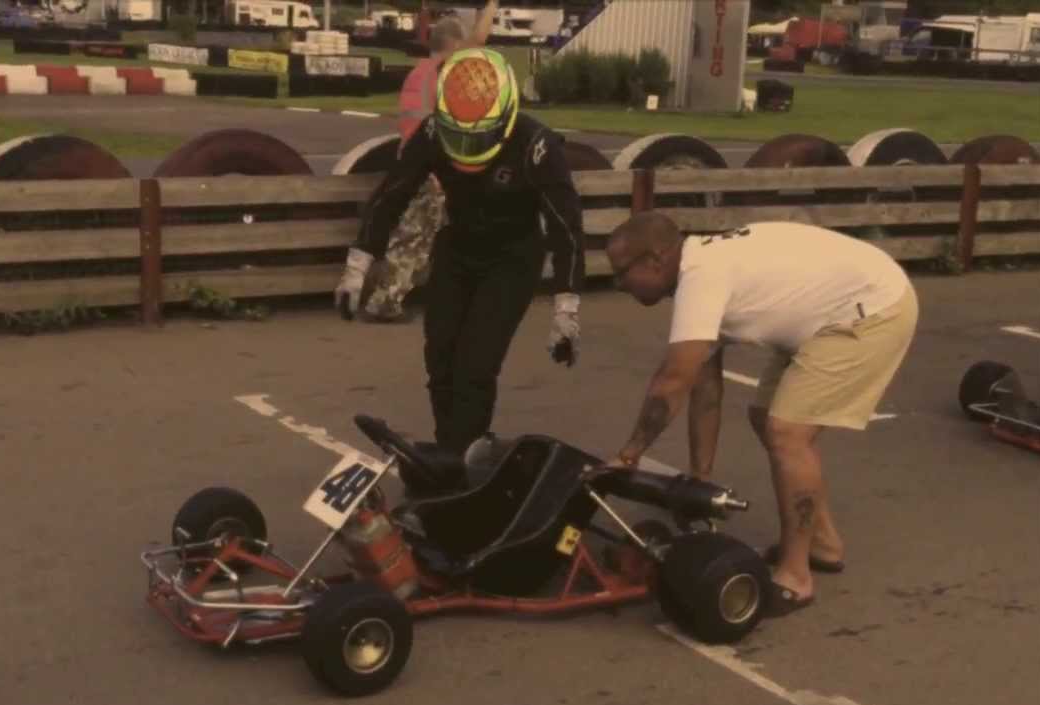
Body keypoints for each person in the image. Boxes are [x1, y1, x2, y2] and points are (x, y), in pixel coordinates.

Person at [601, 212, 919, 617]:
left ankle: (796, 577)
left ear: (655, 260)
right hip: (832, 312)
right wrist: (699, 481)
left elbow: (673, 382)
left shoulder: (703, 278)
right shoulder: (695, 272)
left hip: (873, 309)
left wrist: (628, 455)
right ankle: (822, 542)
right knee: (765, 415)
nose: (619, 285)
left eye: (621, 273)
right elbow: (705, 389)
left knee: (787, 433)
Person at [334, 47, 586, 456]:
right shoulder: (433, 132)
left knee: (476, 366)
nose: (467, 144)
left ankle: (460, 456)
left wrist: (566, 311)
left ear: (504, 118)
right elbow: (392, 193)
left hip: (513, 258)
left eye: (478, 135)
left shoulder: (537, 147)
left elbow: (566, 229)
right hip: (458, 245)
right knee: (440, 358)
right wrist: (356, 267)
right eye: (459, 133)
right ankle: (454, 447)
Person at [361, 1, 498, 322]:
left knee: (427, 235)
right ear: (452, 46)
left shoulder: (418, 73)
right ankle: (384, 302)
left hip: (413, 166)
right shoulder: (443, 73)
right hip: (430, 171)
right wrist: (491, 5)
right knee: (414, 240)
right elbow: (478, 42)